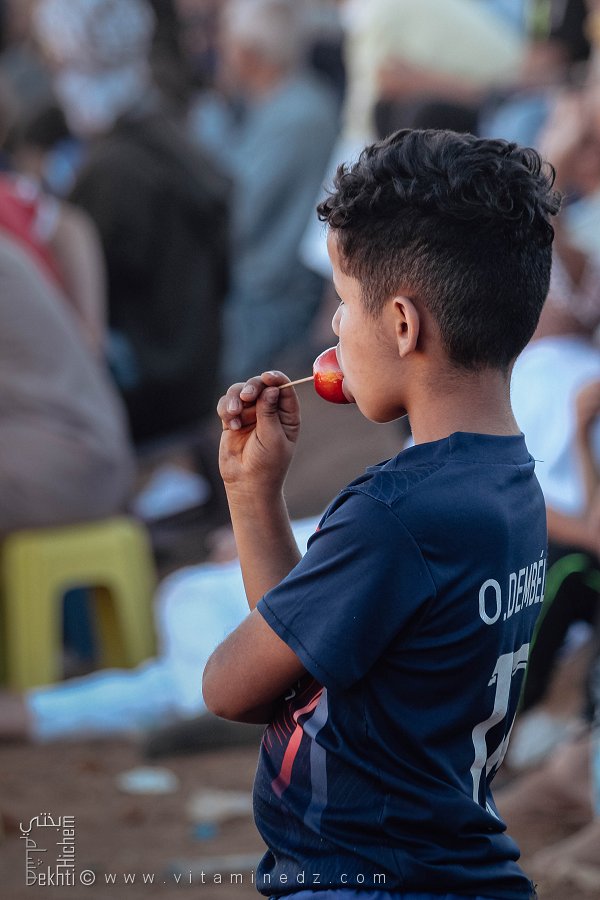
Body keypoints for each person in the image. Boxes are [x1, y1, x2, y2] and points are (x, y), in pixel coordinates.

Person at [202, 129, 559, 899]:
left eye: (342, 301)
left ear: (402, 324)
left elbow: (234, 687)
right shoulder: (509, 486)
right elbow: (303, 656)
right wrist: (253, 493)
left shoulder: (395, 513)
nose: (335, 328)